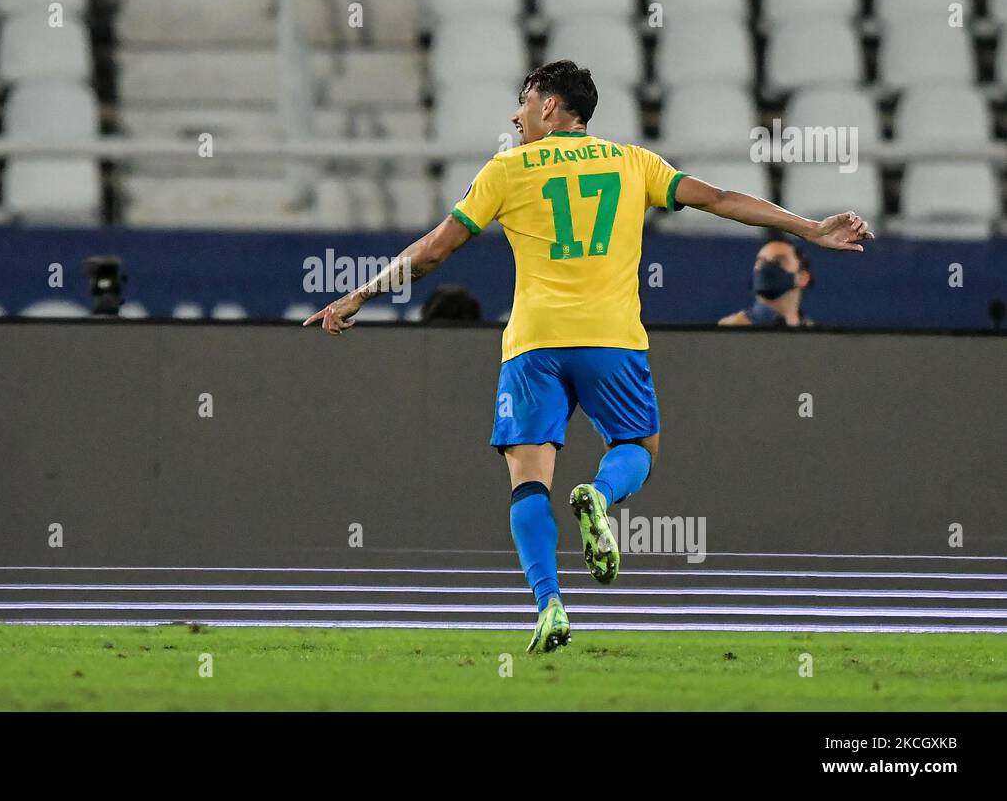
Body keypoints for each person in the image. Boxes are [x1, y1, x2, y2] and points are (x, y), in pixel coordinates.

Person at [304, 60, 873, 653]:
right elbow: (723, 198)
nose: (515, 114)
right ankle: (601, 495)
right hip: (612, 339)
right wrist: (808, 228)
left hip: (534, 343)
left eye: (523, 100)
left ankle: (550, 606)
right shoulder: (634, 162)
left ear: (549, 106)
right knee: (638, 449)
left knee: (527, 479)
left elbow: (433, 252)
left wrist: (359, 294)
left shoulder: (507, 169)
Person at [720, 239, 814, 327]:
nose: (766, 268)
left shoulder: (811, 330)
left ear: (803, 278)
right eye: (761, 261)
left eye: (779, 261)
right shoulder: (731, 328)